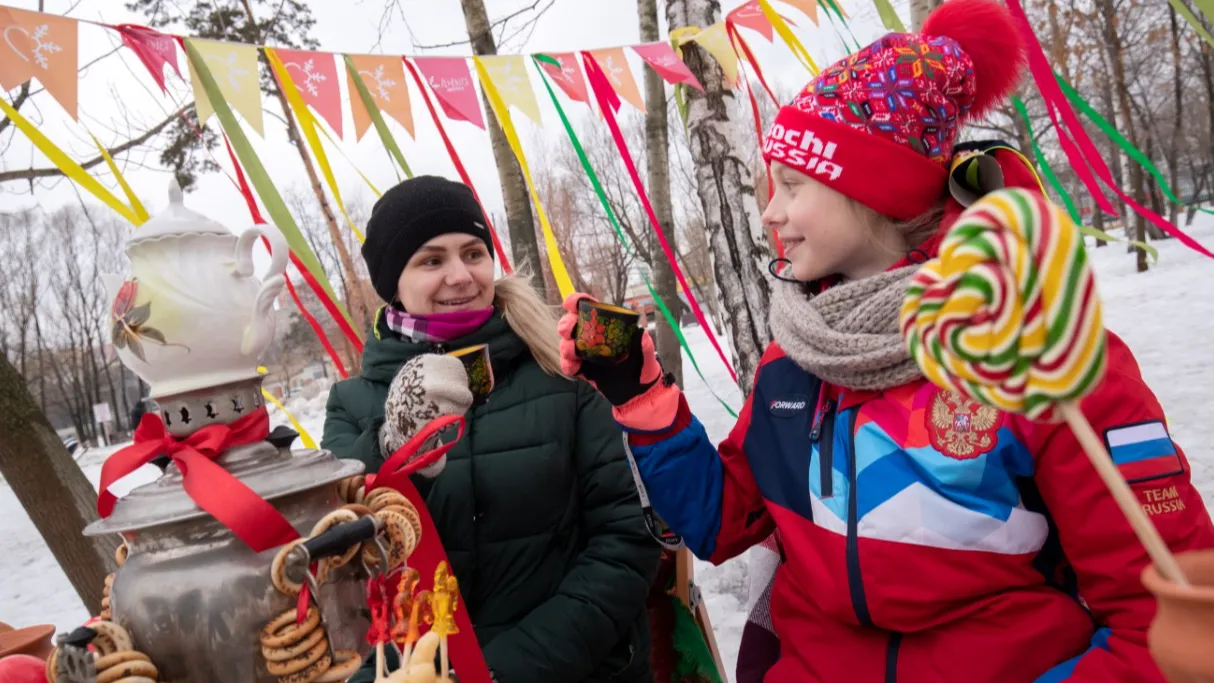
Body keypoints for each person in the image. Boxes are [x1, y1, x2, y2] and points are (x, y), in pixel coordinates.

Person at [556, 1, 1214, 681]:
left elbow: (1162, 619)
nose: (772, 213)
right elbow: (725, 521)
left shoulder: (1038, 353)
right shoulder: (797, 361)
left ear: (872, 191)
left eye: (792, 184)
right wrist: (642, 397)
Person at [321, 175, 660, 683]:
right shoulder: (352, 403)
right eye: (432, 260)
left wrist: (500, 672)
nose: (461, 276)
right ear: (393, 282)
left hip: (571, 669)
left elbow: (627, 540)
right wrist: (393, 448)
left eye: (474, 253)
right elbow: (342, 564)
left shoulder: (563, 373)